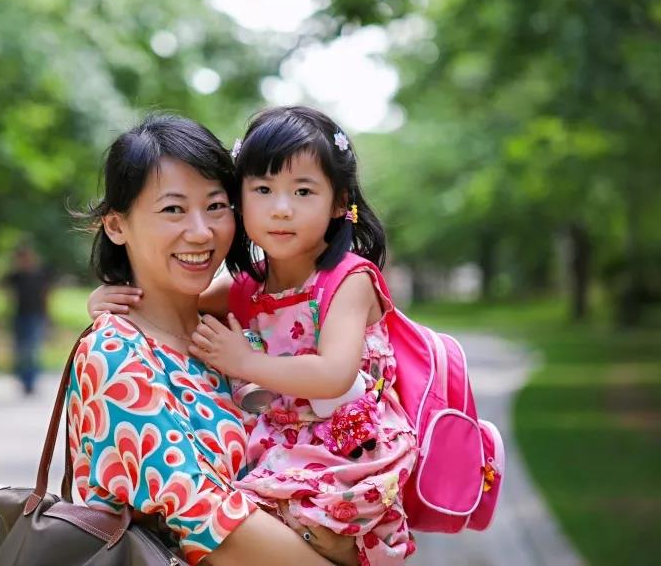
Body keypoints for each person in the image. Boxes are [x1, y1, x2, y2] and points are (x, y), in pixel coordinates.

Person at [89, 107, 417, 566]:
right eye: (173, 209)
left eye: (215, 206)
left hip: (346, 453)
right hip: (291, 473)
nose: (200, 231)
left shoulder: (338, 283)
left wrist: (244, 361)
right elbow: (204, 514)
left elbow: (333, 374)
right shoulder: (125, 347)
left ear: (339, 202)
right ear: (116, 224)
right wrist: (106, 301)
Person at [2, 243, 54, 395]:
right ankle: (23, 379)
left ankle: (31, 381)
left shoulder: (40, 275)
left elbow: (46, 296)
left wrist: (48, 317)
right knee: (19, 350)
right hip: (19, 315)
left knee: (32, 349)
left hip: (35, 316)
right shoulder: (15, 277)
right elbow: (8, 295)